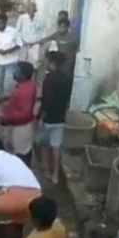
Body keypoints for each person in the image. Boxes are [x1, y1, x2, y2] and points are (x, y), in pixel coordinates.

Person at [36, 51, 72, 184]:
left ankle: (46, 169)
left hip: (48, 117)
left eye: (47, 61)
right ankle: (56, 174)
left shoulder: (49, 79)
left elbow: (47, 101)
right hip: (60, 116)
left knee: (43, 144)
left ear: (52, 63)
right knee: (56, 146)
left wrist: (40, 116)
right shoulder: (67, 77)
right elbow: (67, 99)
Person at [0, 62, 37, 166]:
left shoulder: (24, 91)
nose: (14, 73)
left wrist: (4, 119)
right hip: (19, 125)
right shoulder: (27, 86)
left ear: (23, 75)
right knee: (21, 151)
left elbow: (24, 114)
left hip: (20, 127)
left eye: (16, 71)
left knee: (21, 155)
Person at [0, 13, 21, 101]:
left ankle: (8, 98)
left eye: (1, 23)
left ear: (6, 22)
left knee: (8, 82)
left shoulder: (13, 32)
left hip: (11, 61)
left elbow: (19, 44)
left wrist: (9, 51)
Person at [17, 3, 44, 71]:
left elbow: (41, 33)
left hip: (34, 45)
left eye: (32, 10)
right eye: (29, 9)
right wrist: (22, 41)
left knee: (33, 65)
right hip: (23, 43)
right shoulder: (22, 18)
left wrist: (35, 43)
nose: (31, 11)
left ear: (35, 10)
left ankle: (32, 80)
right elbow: (17, 31)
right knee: (21, 63)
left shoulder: (39, 19)